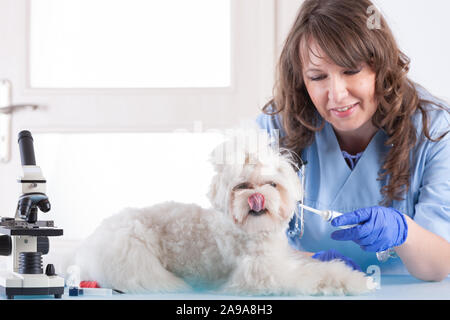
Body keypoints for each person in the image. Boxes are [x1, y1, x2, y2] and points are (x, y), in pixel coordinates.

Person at [257, 0, 450, 281]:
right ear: (301, 79)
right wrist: (309, 264)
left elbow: (439, 264)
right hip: (310, 289)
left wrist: (403, 231)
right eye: (318, 77)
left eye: (351, 71)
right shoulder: (275, 128)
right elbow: (242, 244)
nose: (336, 94)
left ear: (381, 66)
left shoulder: (434, 129)